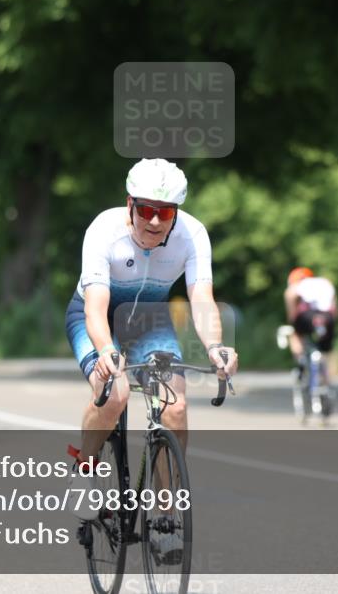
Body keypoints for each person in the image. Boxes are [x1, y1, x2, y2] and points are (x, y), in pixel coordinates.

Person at [64, 158, 238, 558]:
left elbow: (201, 299)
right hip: (97, 315)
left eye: (165, 213)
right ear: (130, 205)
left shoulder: (192, 235)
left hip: (149, 320)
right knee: (115, 392)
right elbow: (95, 307)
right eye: (146, 210)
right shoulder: (103, 231)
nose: (155, 221)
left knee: (174, 407)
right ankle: (85, 468)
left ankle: (164, 516)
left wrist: (215, 346)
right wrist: (107, 349)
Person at [283, 266, 338, 388]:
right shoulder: (325, 282)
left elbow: (290, 296)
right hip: (327, 317)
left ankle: (300, 363)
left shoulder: (297, 285)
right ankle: (326, 379)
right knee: (326, 350)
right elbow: (335, 309)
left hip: (308, 316)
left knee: (295, 333)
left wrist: (292, 319)